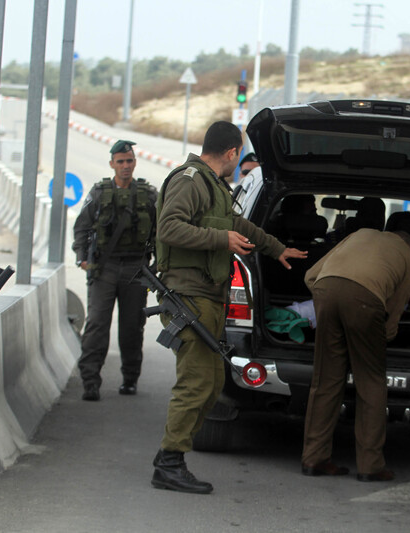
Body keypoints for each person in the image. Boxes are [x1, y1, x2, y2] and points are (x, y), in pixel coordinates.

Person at [150, 121, 308, 494]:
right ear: (232, 153)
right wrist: (220, 239)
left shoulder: (212, 185)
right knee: (196, 383)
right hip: (189, 296)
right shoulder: (190, 179)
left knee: (214, 383)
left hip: (209, 296)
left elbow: (238, 224)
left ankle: (170, 458)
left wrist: (276, 248)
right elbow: (168, 228)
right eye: (238, 156)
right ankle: (169, 462)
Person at [301, 228, 410, 482]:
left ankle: (314, 458)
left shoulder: (360, 234)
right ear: (409, 247)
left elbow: (311, 276)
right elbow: (393, 315)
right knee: (371, 382)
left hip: (324, 290)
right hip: (366, 301)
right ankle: (371, 465)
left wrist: (329, 304)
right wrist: (378, 335)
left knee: (325, 381)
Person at [72, 140, 157, 402]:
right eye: (120, 161)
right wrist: (82, 258)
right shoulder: (99, 193)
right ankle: (90, 382)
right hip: (105, 268)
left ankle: (130, 378)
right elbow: (82, 227)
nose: (125, 166)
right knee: (97, 324)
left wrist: (156, 266)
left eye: (129, 161)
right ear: (112, 164)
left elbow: (160, 231)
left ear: (134, 162)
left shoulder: (148, 194)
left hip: (135, 268)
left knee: (132, 327)